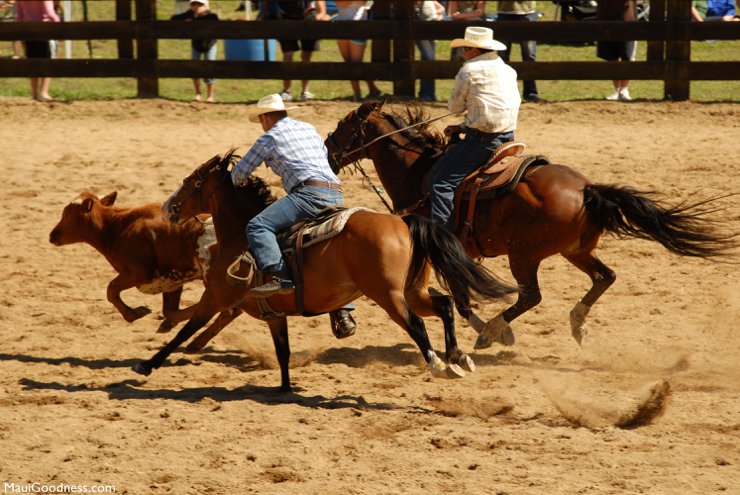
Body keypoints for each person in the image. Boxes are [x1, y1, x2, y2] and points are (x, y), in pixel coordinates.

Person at [231, 93, 356, 336]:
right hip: (335, 193)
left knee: (258, 226)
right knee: (322, 246)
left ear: (266, 117)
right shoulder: (308, 128)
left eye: (260, 120)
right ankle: (343, 308)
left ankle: (280, 277)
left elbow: (239, 174)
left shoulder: (269, 137)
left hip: (308, 195)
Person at [429, 26, 521, 231]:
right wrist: (462, 126)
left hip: (481, 141)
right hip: (508, 137)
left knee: (441, 183)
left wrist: (461, 119)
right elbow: (491, 108)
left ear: (474, 50)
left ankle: (442, 239)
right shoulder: (508, 70)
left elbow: (454, 108)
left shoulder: (468, 70)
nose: (462, 54)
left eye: (464, 49)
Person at [273, 0, 330, 102]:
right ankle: (287, 90)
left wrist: (321, 14)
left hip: (307, 17)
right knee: (288, 54)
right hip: (286, 17)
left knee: (305, 55)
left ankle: (305, 91)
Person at [171, 0, 219, 103]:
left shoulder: (211, 16)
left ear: (205, 5)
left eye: (199, 4)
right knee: (194, 68)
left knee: (209, 68)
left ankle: (210, 95)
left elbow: (216, 22)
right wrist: (188, 17)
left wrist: (200, 15)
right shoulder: (189, 15)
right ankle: (198, 93)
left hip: (209, 44)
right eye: (194, 4)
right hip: (196, 45)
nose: (196, 6)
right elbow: (173, 19)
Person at [334, 1, 382, 101]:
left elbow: (363, 1)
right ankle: (372, 89)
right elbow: (339, 4)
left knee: (356, 63)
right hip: (341, 26)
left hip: (359, 27)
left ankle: (357, 94)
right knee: (348, 63)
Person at [15, 0, 60, 102]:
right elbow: (49, 13)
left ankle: (34, 93)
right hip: (44, 30)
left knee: (32, 62)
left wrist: (20, 34)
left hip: (28, 30)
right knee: (48, 61)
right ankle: (44, 92)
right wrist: (59, 25)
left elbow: (19, 17)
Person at [496, 1, 540, 102]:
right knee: (502, 57)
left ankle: (531, 92)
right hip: (504, 12)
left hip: (527, 12)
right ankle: (502, 93)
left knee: (529, 56)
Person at [596, 1, 636, 101]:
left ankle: (624, 89)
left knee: (627, 56)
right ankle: (617, 89)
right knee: (611, 56)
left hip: (626, 17)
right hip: (605, 18)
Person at [415, 1, 445, 101]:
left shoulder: (431, 1)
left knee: (429, 60)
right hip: (421, 31)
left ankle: (429, 93)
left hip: (431, 31)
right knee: (428, 59)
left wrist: (438, 15)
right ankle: (426, 93)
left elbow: (442, 8)